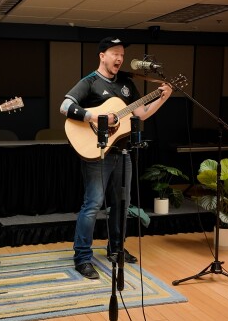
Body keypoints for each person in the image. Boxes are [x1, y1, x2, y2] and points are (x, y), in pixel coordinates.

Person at [60, 37, 172, 279]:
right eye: (114, 53)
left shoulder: (126, 84)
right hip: (97, 153)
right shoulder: (89, 82)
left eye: (121, 54)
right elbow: (65, 106)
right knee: (92, 204)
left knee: (122, 203)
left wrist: (162, 98)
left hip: (123, 152)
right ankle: (82, 257)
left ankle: (116, 249)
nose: (119, 58)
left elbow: (140, 113)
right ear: (102, 56)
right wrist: (95, 118)